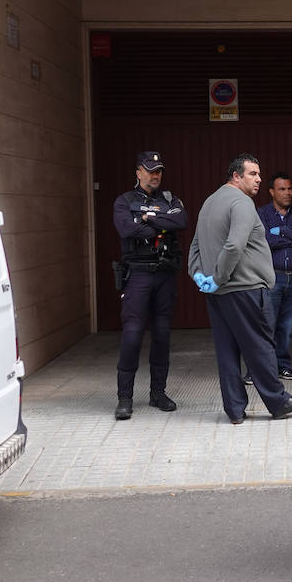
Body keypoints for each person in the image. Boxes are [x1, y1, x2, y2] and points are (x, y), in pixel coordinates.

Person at [187, 154, 292, 426]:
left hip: (217, 294)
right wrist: (219, 277)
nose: (258, 179)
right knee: (261, 347)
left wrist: (198, 275)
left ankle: (234, 409)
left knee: (227, 350)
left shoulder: (210, 202)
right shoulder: (242, 203)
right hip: (244, 288)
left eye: (258, 174)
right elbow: (234, 246)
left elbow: (195, 244)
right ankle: (278, 402)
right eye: (252, 174)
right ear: (236, 176)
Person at [112, 150, 187, 420]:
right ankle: (125, 398)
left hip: (165, 273)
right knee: (132, 335)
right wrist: (160, 225)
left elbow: (180, 221)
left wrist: (147, 219)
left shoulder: (170, 199)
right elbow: (127, 230)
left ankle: (158, 394)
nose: (155, 175)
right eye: (150, 170)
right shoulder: (125, 201)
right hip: (139, 274)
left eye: (158, 171)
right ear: (138, 172)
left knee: (162, 334)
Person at [256, 173, 292, 380]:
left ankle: (282, 365)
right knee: (267, 324)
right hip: (273, 277)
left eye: (289, 188)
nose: (288, 192)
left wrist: (280, 230)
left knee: (287, 325)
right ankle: (262, 369)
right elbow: (265, 240)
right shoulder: (262, 213)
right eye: (282, 189)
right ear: (272, 191)